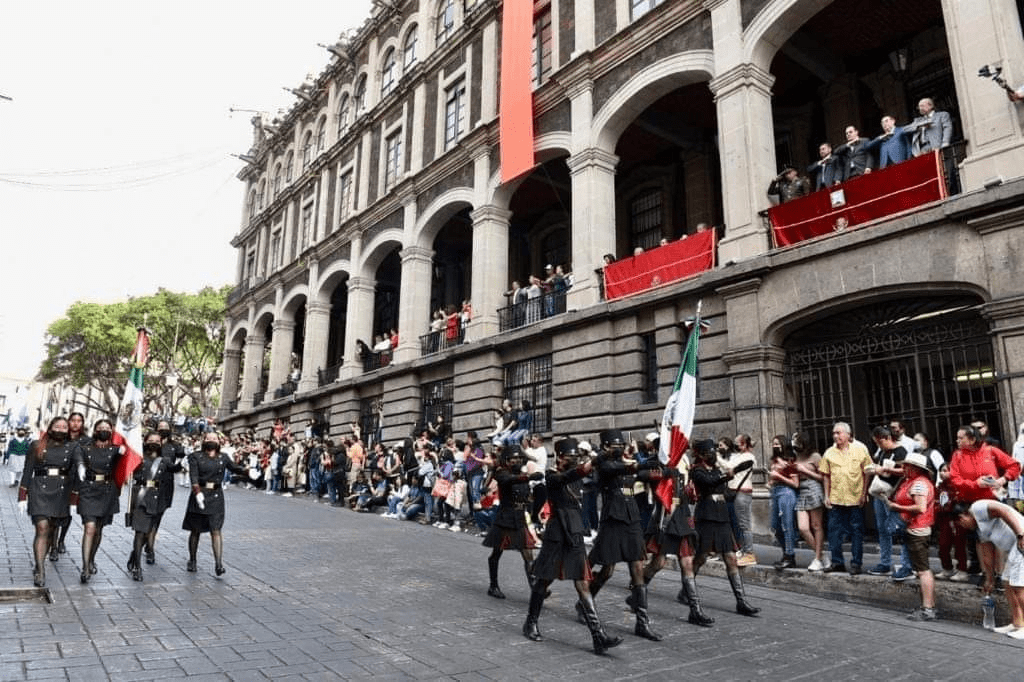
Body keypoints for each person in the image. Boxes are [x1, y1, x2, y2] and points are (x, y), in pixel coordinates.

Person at [523, 438, 624, 654]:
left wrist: (609, 458)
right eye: (571, 457)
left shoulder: (578, 474)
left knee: (583, 583)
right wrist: (601, 456)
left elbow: (584, 474)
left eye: (577, 457)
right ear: (560, 457)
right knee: (542, 582)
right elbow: (571, 475)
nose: (576, 460)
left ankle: (599, 637)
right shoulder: (551, 475)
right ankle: (530, 623)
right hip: (557, 534)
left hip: (576, 533)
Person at [585, 429, 666, 640]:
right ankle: (584, 603)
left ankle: (642, 622)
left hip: (632, 520)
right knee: (607, 571)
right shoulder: (604, 465)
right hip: (613, 520)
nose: (619, 448)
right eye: (615, 445)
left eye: (621, 444)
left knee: (637, 567)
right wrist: (639, 464)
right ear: (604, 447)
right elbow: (618, 468)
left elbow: (644, 473)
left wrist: (663, 465)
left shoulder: (627, 463)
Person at [635, 443, 714, 627]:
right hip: (666, 515)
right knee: (658, 563)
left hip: (683, 514)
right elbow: (640, 474)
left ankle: (695, 611)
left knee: (687, 563)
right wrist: (662, 474)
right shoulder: (661, 460)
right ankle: (635, 593)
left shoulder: (684, 459)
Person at [690, 439, 761, 616]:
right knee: (701, 558)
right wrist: (727, 474)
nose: (713, 454)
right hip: (706, 517)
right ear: (701, 455)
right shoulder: (697, 470)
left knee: (730, 558)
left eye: (714, 451)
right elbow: (708, 482)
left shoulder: (717, 469)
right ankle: (686, 590)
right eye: (709, 452)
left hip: (721, 517)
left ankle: (741, 601)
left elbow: (722, 478)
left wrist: (729, 472)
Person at [17, 416, 80, 587]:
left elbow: (78, 466)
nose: (60, 429)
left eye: (64, 427)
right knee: (42, 528)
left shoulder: (73, 446)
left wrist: (74, 498)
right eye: (57, 426)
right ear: (50, 427)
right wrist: (22, 495)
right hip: (39, 490)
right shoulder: (37, 445)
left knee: (51, 530)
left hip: (61, 491)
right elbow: (27, 470)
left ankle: (40, 559)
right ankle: (40, 570)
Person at [955, 499, 1024, 637]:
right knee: (1007, 582)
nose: (964, 526)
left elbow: (1003, 511)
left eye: (961, 523)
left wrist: (1020, 534)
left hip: (1021, 541)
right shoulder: (979, 529)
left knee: (1018, 586)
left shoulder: (977, 508)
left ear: (963, 516)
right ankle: (1017, 623)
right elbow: (987, 554)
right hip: (1014, 548)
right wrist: (989, 579)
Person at [182, 433, 248, 576]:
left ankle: (218, 564)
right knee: (195, 530)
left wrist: (247, 471)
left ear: (219, 442)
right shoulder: (195, 456)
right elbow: (193, 475)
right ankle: (192, 560)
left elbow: (234, 468)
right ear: (203, 441)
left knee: (216, 530)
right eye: (208, 438)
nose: (211, 440)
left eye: (214, 439)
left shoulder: (223, 457)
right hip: (199, 495)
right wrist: (197, 491)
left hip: (216, 497)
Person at [482, 444, 542, 599]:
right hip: (505, 518)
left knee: (528, 553)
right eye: (513, 458)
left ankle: (536, 589)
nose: (517, 460)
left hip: (520, 517)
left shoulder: (520, 475)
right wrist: (528, 477)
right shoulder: (502, 472)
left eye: (519, 458)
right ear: (507, 460)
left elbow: (526, 496)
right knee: (496, 553)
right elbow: (509, 480)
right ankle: (493, 585)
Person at [885, 452, 937, 620]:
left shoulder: (919, 484)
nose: (904, 468)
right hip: (917, 529)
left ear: (915, 468)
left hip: (917, 530)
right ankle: (928, 606)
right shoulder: (916, 482)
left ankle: (928, 609)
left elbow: (920, 508)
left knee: (923, 571)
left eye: (907, 466)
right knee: (922, 569)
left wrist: (896, 508)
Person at [819, 422, 873, 575]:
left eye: (839, 433)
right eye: (834, 433)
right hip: (836, 498)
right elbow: (826, 476)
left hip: (855, 498)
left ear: (848, 435)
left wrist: (864, 493)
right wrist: (826, 496)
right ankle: (837, 562)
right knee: (834, 531)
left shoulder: (861, 449)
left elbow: (867, 472)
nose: (836, 436)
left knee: (857, 531)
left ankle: (856, 563)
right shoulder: (829, 452)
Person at [75, 419, 125, 583]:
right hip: (89, 490)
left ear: (111, 431)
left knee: (98, 530)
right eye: (100, 428)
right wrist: (81, 466)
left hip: (107, 492)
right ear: (95, 430)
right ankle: (85, 567)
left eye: (107, 428)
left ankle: (91, 558)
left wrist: (126, 451)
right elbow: (79, 458)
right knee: (89, 528)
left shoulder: (116, 450)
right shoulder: (85, 447)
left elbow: (128, 464)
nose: (104, 430)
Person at [128, 432, 176, 582]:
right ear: (145, 441)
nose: (154, 443)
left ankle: (133, 554)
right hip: (141, 496)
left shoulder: (165, 460)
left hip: (157, 498)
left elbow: (175, 469)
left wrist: (186, 462)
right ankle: (137, 566)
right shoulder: (137, 457)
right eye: (151, 440)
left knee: (148, 532)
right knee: (140, 532)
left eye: (157, 441)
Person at [867, 426, 909, 578]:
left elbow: (905, 471)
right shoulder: (884, 452)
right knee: (882, 528)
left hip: (892, 494)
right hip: (881, 494)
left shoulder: (900, 451)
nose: (879, 445)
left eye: (880, 442)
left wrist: (884, 470)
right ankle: (885, 562)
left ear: (887, 438)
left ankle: (906, 565)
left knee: (897, 528)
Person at [147, 419, 186, 566]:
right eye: (160, 427)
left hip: (166, 485)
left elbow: (182, 459)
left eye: (166, 427)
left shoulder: (174, 446)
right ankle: (149, 548)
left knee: (158, 516)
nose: (163, 429)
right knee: (149, 515)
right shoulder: (149, 444)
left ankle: (150, 541)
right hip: (150, 484)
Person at [792, 431, 826, 571]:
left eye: (796, 439)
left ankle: (817, 558)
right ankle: (822, 556)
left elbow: (823, 477)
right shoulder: (796, 456)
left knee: (816, 525)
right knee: (803, 528)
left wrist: (804, 471)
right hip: (802, 490)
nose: (793, 442)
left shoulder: (815, 456)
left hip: (814, 488)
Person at [769, 435, 800, 570]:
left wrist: (779, 476)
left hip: (786, 493)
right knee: (775, 526)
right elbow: (774, 478)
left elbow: (795, 483)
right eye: (773, 444)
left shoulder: (790, 460)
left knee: (787, 525)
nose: (775, 446)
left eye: (778, 444)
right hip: (775, 492)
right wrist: (771, 482)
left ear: (784, 445)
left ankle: (789, 556)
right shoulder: (775, 460)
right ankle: (786, 553)